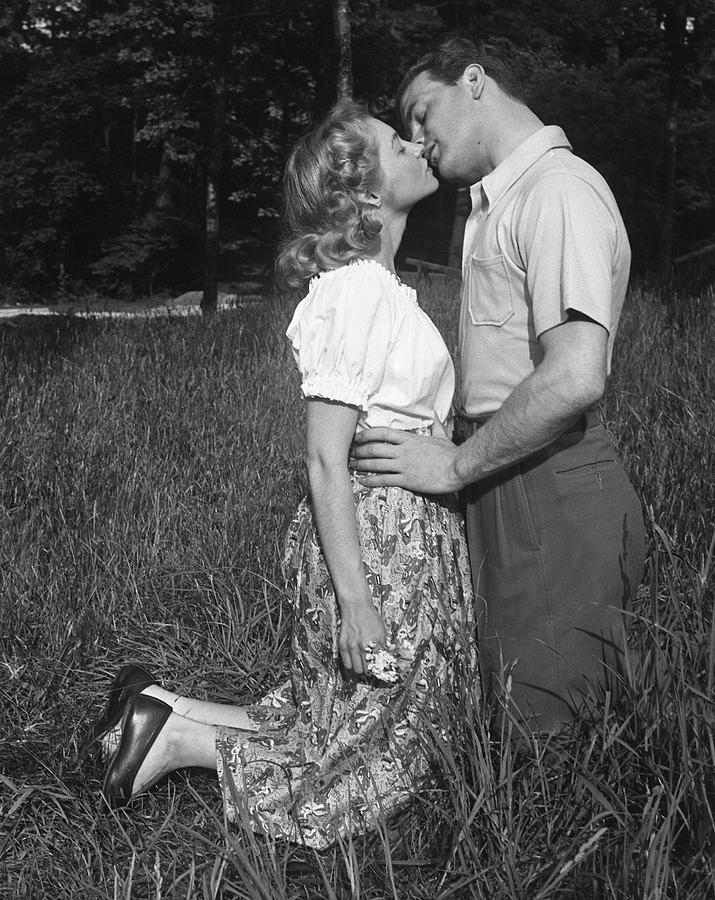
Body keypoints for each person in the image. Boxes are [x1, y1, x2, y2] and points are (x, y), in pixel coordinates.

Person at [89, 99, 476, 850]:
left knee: (339, 713)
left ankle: (159, 707)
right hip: (377, 537)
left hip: (392, 526)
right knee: (381, 747)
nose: (419, 144)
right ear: (365, 192)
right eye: (399, 144)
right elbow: (324, 455)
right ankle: (181, 743)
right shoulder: (358, 291)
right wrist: (357, 603)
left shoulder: (379, 289)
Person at [351, 38, 646, 738]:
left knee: (544, 737)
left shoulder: (556, 190)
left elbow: (574, 374)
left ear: (474, 82)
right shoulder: (502, 200)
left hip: (547, 478)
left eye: (422, 115)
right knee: (503, 719)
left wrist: (453, 465)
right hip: (506, 470)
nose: (418, 143)